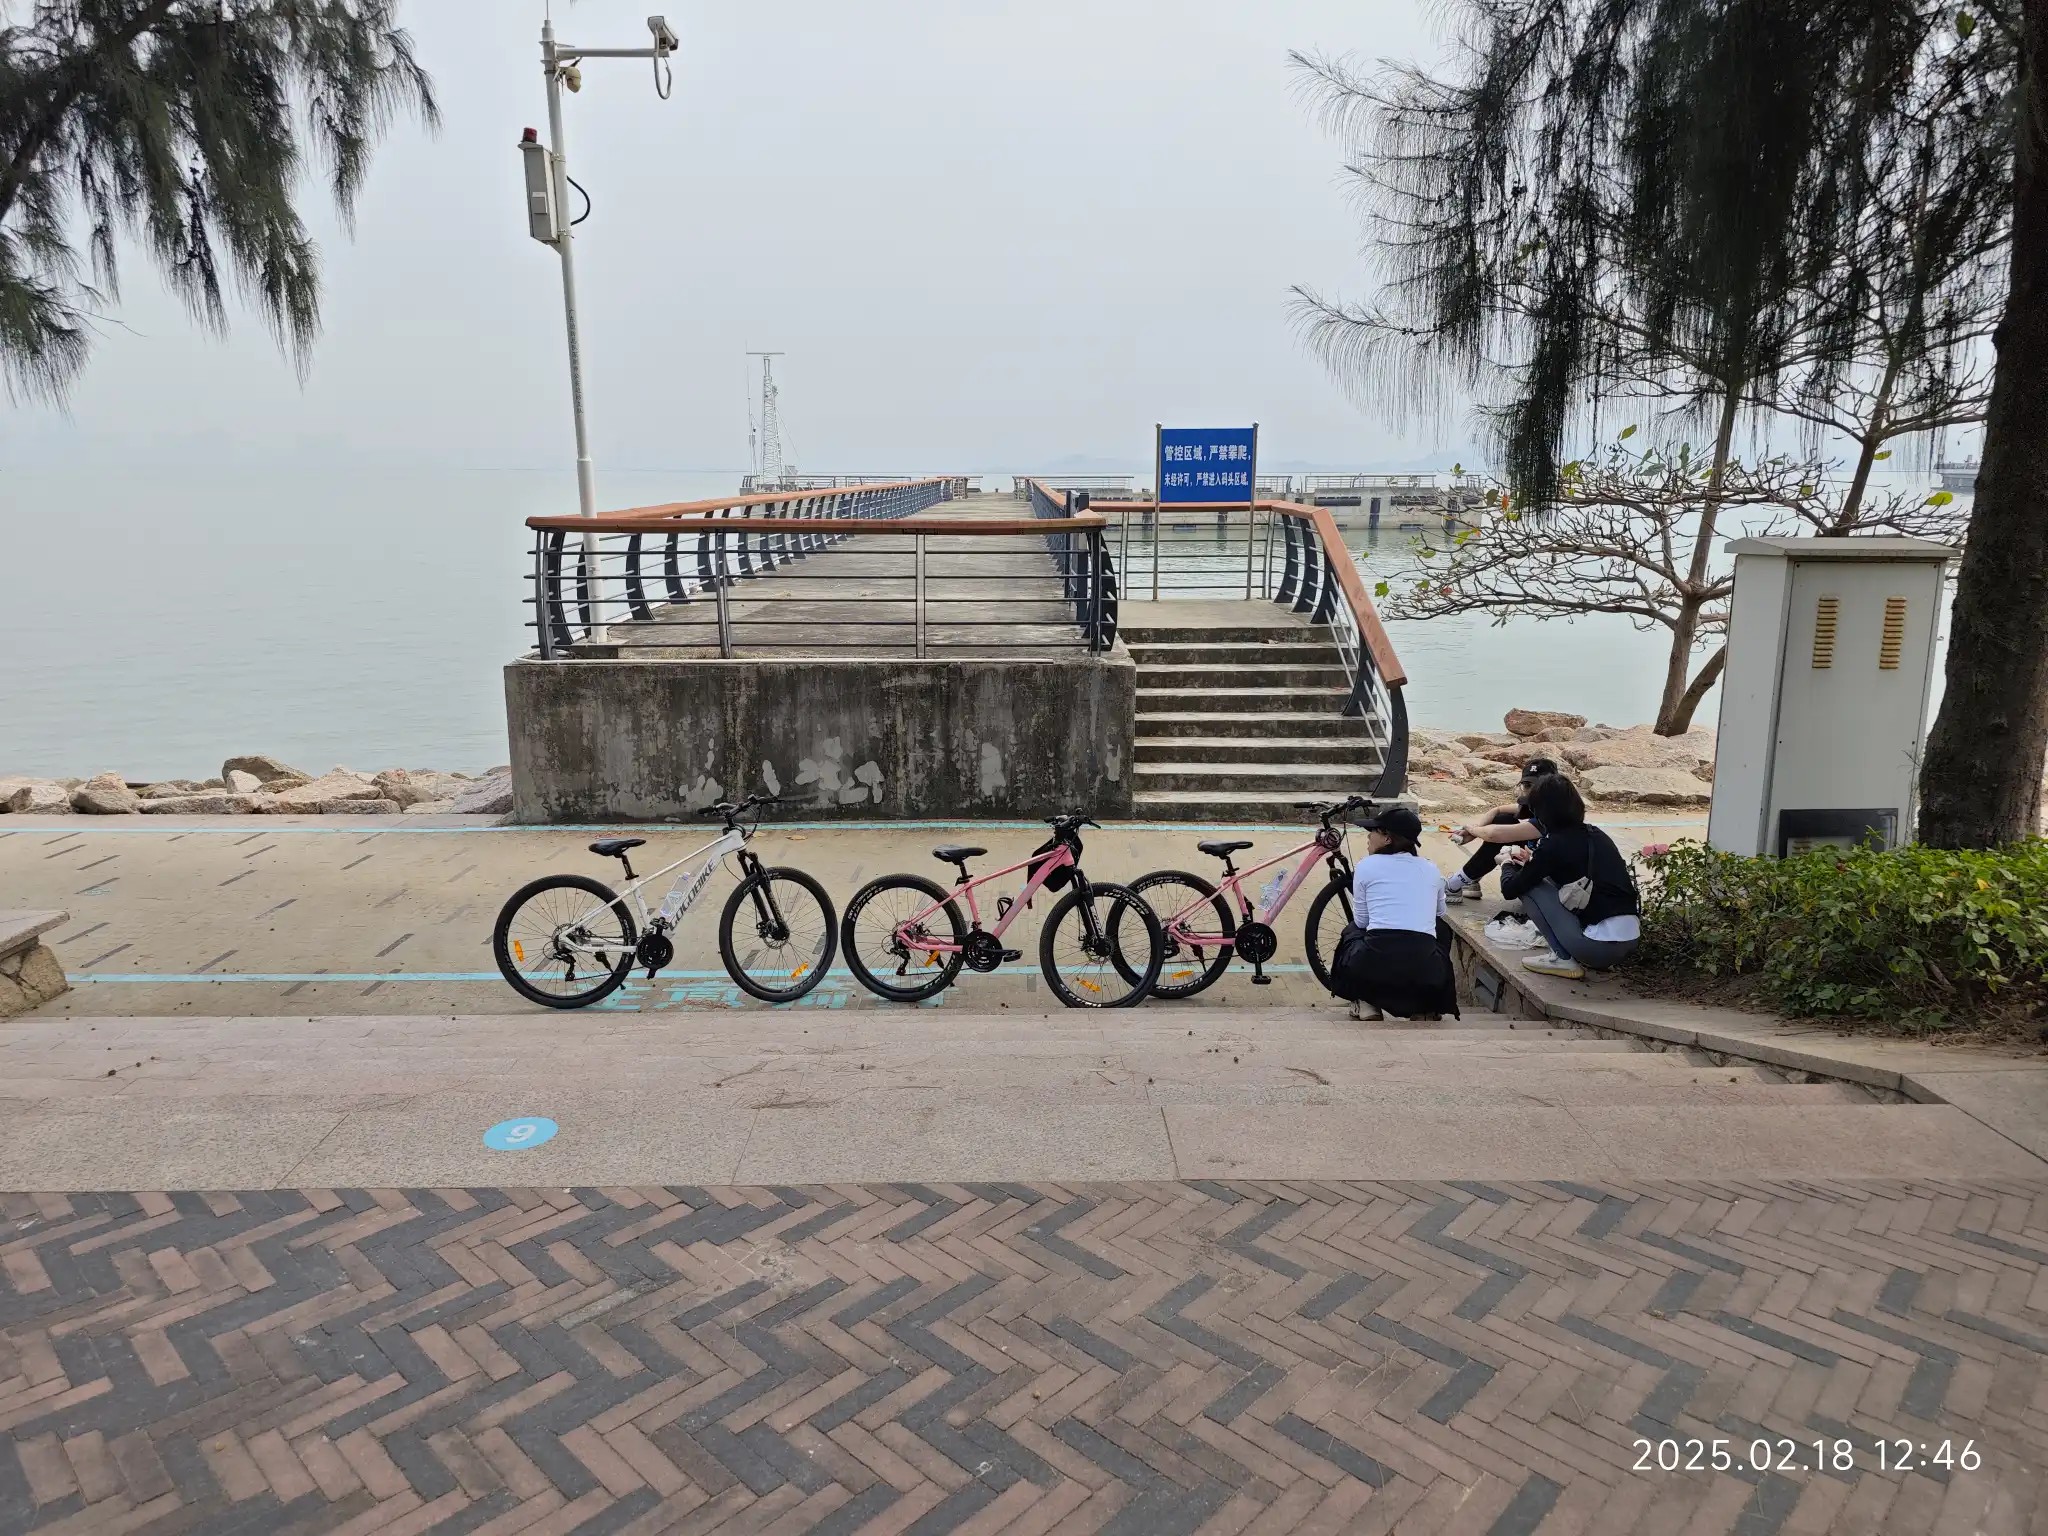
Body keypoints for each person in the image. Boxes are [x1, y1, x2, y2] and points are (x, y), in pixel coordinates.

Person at [1498, 774, 1641, 980]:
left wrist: (1505, 863)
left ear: (1542, 813)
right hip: (1630, 941)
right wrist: (1532, 861)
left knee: (1531, 887)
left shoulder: (1553, 844)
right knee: (1539, 879)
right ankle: (1580, 952)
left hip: (1596, 948)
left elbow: (1510, 889)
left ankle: (1561, 957)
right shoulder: (1596, 835)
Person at [1333, 805, 1460, 1021]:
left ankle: (1367, 1003)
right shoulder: (1431, 868)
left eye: (1373, 831)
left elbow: (1362, 921)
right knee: (1441, 930)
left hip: (1373, 967)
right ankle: (1426, 1007)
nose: (1368, 837)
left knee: (1352, 931)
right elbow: (1440, 912)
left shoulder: (1366, 866)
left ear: (1387, 838)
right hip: (1425, 971)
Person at [1444, 758, 1559, 901]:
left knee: (1505, 841)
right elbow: (1498, 810)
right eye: (1527, 785)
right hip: (1542, 872)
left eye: (1538, 786)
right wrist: (1477, 830)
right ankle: (1470, 879)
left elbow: (1494, 835)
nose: (1532, 791)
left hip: (1553, 890)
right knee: (1504, 819)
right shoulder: (1546, 805)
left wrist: (1472, 830)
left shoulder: (1552, 817)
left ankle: (1453, 885)